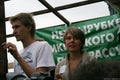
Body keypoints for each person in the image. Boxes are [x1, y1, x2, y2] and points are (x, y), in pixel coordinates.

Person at [2, 13, 55, 78]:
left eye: (17, 27)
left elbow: (40, 78)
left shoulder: (42, 46)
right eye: (13, 28)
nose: (14, 32)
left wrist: (18, 57)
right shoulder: (18, 53)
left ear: (29, 27)